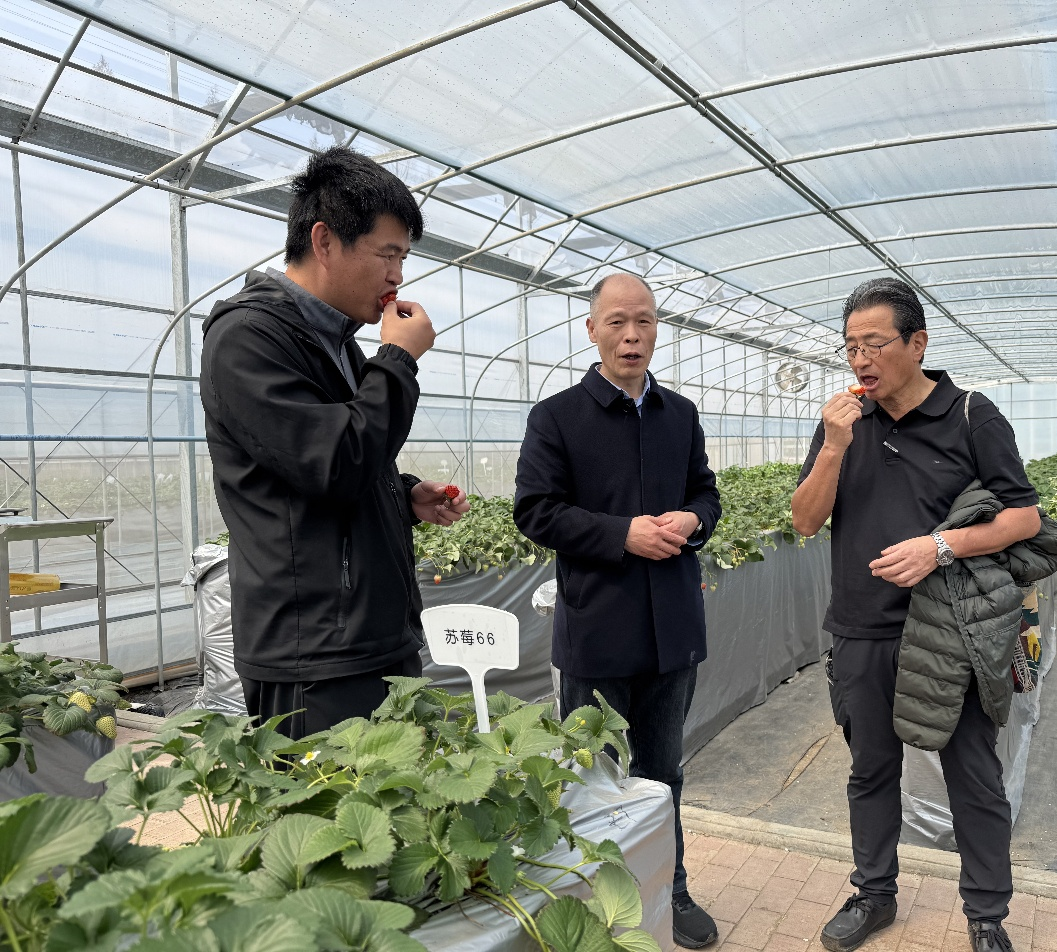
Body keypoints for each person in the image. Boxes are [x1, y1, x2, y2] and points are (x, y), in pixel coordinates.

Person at [791, 278, 1042, 952]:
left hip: (951, 629)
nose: (860, 359)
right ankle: (873, 894)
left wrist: (941, 546)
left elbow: (1024, 517)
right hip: (861, 627)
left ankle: (986, 915)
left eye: (874, 344)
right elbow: (805, 520)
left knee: (972, 774)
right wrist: (834, 446)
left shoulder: (971, 415)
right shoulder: (843, 422)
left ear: (918, 343)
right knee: (871, 771)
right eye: (850, 347)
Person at [201, 146, 470, 739]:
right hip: (316, 657)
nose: (397, 275)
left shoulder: (337, 344)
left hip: (371, 640)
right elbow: (335, 463)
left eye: (403, 258)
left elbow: (333, 463)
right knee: (333, 799)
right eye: (387, 254)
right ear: (324, 241)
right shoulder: (247, 339)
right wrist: (397, 360)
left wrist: (402, 495)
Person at [513, 273, 723, 949]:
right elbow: (535, 511)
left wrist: (693, 519)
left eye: (644, 322)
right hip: (598, 633)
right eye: (617, 322)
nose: (632, 336)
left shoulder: (679, 414)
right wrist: (621, 534)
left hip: (672, 632)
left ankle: (671, 888)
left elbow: (707, 494)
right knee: (595, 780)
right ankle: (598, 899)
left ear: (657, 328)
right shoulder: (556, 417)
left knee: (663, 774)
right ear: (592, 330)